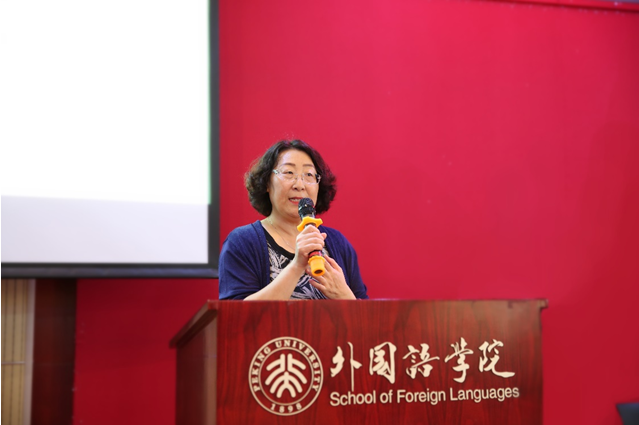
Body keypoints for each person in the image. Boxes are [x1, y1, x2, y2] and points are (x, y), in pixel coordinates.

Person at [219, 140, 369, 300]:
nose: (299, 184)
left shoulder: (338, 243)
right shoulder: (242, 242)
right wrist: (297, 265)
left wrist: (345, 295)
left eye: (308, 175)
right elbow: (236, 312)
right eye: (288, 173)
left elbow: (364, 314)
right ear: (267, 183)